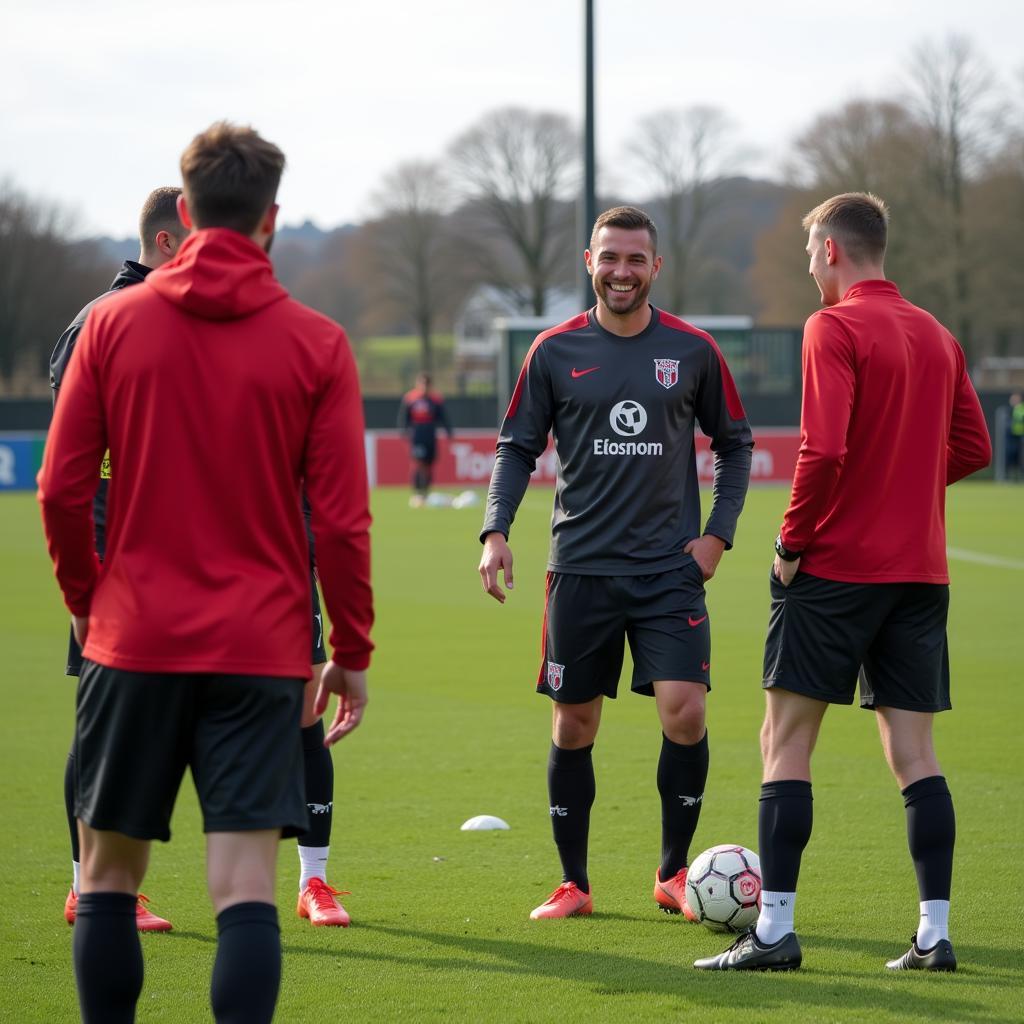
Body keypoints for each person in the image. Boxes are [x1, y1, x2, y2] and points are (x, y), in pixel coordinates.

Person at [38, 122, 373, 1023]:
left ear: (184, 214)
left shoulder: (110, 322)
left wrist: (85, 605)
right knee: (242, 889)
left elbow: (62, 491)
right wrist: (352, 648)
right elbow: (341, 522)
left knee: (107, 878)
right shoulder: (317, 343)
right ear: (270, 219)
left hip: (133, 641)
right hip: (260, 651)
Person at [694, 192, 991, 973]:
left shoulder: (832, 325)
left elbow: (821, 454)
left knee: (784, 741)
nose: (809, 270)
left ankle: (776, 931)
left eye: (809, 255)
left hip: (833, 569)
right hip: (921, 575)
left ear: (830, 250)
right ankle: (933, 934)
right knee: (916, 755)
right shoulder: (937, 333)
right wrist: (902, 486)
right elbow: (974, 446)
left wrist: (791, 542)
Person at [478, 206, 753, 921]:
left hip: (669, 570)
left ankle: (672, 874)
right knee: (574, 726)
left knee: (684, 712)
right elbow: (514, 448)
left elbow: (736, 444)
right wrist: (495, 530)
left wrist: (717, 537)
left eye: (635, 260)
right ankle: (574, 883)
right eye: (610, 258)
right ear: (588, 261)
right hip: (581, 570)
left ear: (655, 267)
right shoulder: (552, 351)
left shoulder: (692, 351)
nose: (621, 272)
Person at [51, 186, 186, 932]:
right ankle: (91, 886)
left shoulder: (156, 319)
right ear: (166, 245)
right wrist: (89, 586)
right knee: (105, 730)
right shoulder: (104, 325)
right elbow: (78, 476)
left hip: (164, 570)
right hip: (115, 577)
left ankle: (104, 885)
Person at [399, 371, 453, 505]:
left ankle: (426, 492)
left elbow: (443, 417)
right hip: (418, 435)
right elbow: (404, 417)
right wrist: (404, 430)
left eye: (427, 384)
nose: (424, 386)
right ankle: (418, 491)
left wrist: (449, 431)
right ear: (418, 384)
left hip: (430, 434)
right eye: (422, 383)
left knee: (429, 464)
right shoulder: (410, 398)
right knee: (419, 463)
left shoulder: (436, 400)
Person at [1004, 393, 1023, 481]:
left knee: (1021, 457)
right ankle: (1010, 476)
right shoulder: (1009, 409)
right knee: (1010, 456)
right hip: (1011, 438)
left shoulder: (1021, 409)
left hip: (1021, 438)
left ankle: (1020, 476)